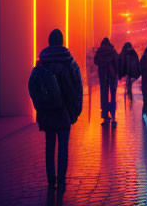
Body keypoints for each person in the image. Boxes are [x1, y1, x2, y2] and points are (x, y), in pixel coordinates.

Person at [28, 28, 83, 192]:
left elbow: (34, 86)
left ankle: (51, 180)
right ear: (62, 41)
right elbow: (78, 87)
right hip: (65, 112)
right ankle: (62, 180)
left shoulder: (42, 63)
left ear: (49, 42)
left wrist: (39, 106)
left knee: (49, 146)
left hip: (47, 111)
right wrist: (75, 110)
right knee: (63, 147)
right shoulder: (70, 62)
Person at [93, 38, 119, 125]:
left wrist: (102, 64)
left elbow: (95, 61)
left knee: (104, 95)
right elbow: (117, 62)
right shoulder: (112, 50)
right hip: (112, 75)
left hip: (103, 76)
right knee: (113, 95)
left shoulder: (100, 50)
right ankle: (113, 115)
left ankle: (105, 117)